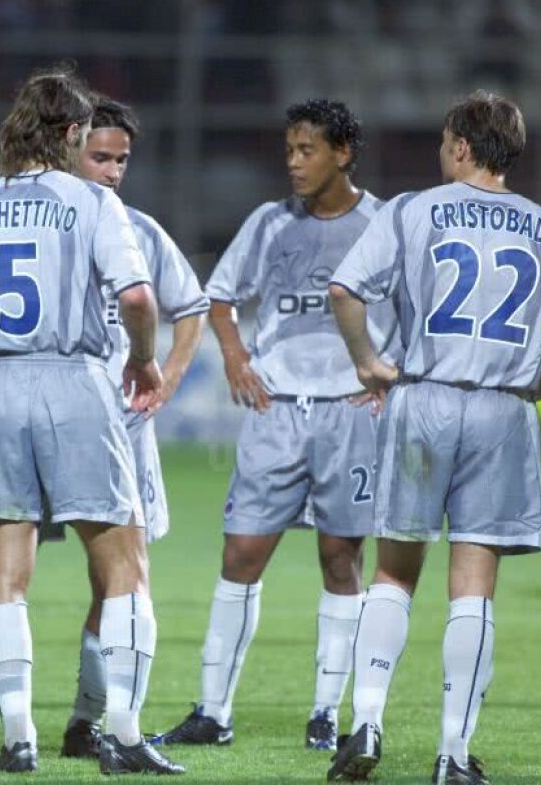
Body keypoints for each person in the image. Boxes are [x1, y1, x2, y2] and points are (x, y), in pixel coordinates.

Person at [326, 91, 541, 784]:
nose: (442, 151)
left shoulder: (412, 210)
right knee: (473, 587)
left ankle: (367, 722)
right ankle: (453, 754)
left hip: (422, 399)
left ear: (462, 146)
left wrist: (367, 362)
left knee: (393, 572)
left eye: (445, 141)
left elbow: (345, 290)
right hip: (502, 410)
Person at [0, 95, 209, 761]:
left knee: (3, 571)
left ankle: (18, 737)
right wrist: (144, 361)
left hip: (3, 387)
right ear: (72, 133)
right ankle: (123, 733)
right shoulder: (93, 205)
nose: (108, 167)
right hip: (78, 385)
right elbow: (139, 297)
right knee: (125, 566)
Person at [154, 100, 395, 754]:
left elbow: (413, 306)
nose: (294, 162)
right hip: (276, 411)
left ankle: (325, 712)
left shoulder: (382, 225)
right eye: (289, 150)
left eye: (306, 150)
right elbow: (221, 296)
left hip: (349, 412)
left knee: (341, 558)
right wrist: (235, 356)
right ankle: (212, 711)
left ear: (343, 153)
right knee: (241, 554)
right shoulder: (269, 222)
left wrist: (386, 376)